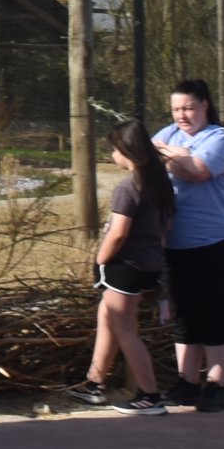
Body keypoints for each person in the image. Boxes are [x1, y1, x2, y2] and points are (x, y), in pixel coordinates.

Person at [68, 120, 172, 412]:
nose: (112, 155)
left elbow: (118, 232)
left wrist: (100, 260)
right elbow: (167, 228)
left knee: (126, 329)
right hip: (149, 264)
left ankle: (150, 396)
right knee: (107, 316)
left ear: (126, 151)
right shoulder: (160, 184)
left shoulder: (128, 188)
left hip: (126, 266)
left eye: (114, 149)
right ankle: (95, 383)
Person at [153, 80, 224, 410]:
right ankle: (187, 381)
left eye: (189, 108)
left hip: (216, 240)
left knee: (214, 312)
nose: (182, 115)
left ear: (205, 105)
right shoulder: (171, 134)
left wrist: (165, 155)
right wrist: (175, 154)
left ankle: (215, 384)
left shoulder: (219, 138)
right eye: (176, 109)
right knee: (184, 313)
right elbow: (130, 155)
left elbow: (198, 171)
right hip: (176, 241)